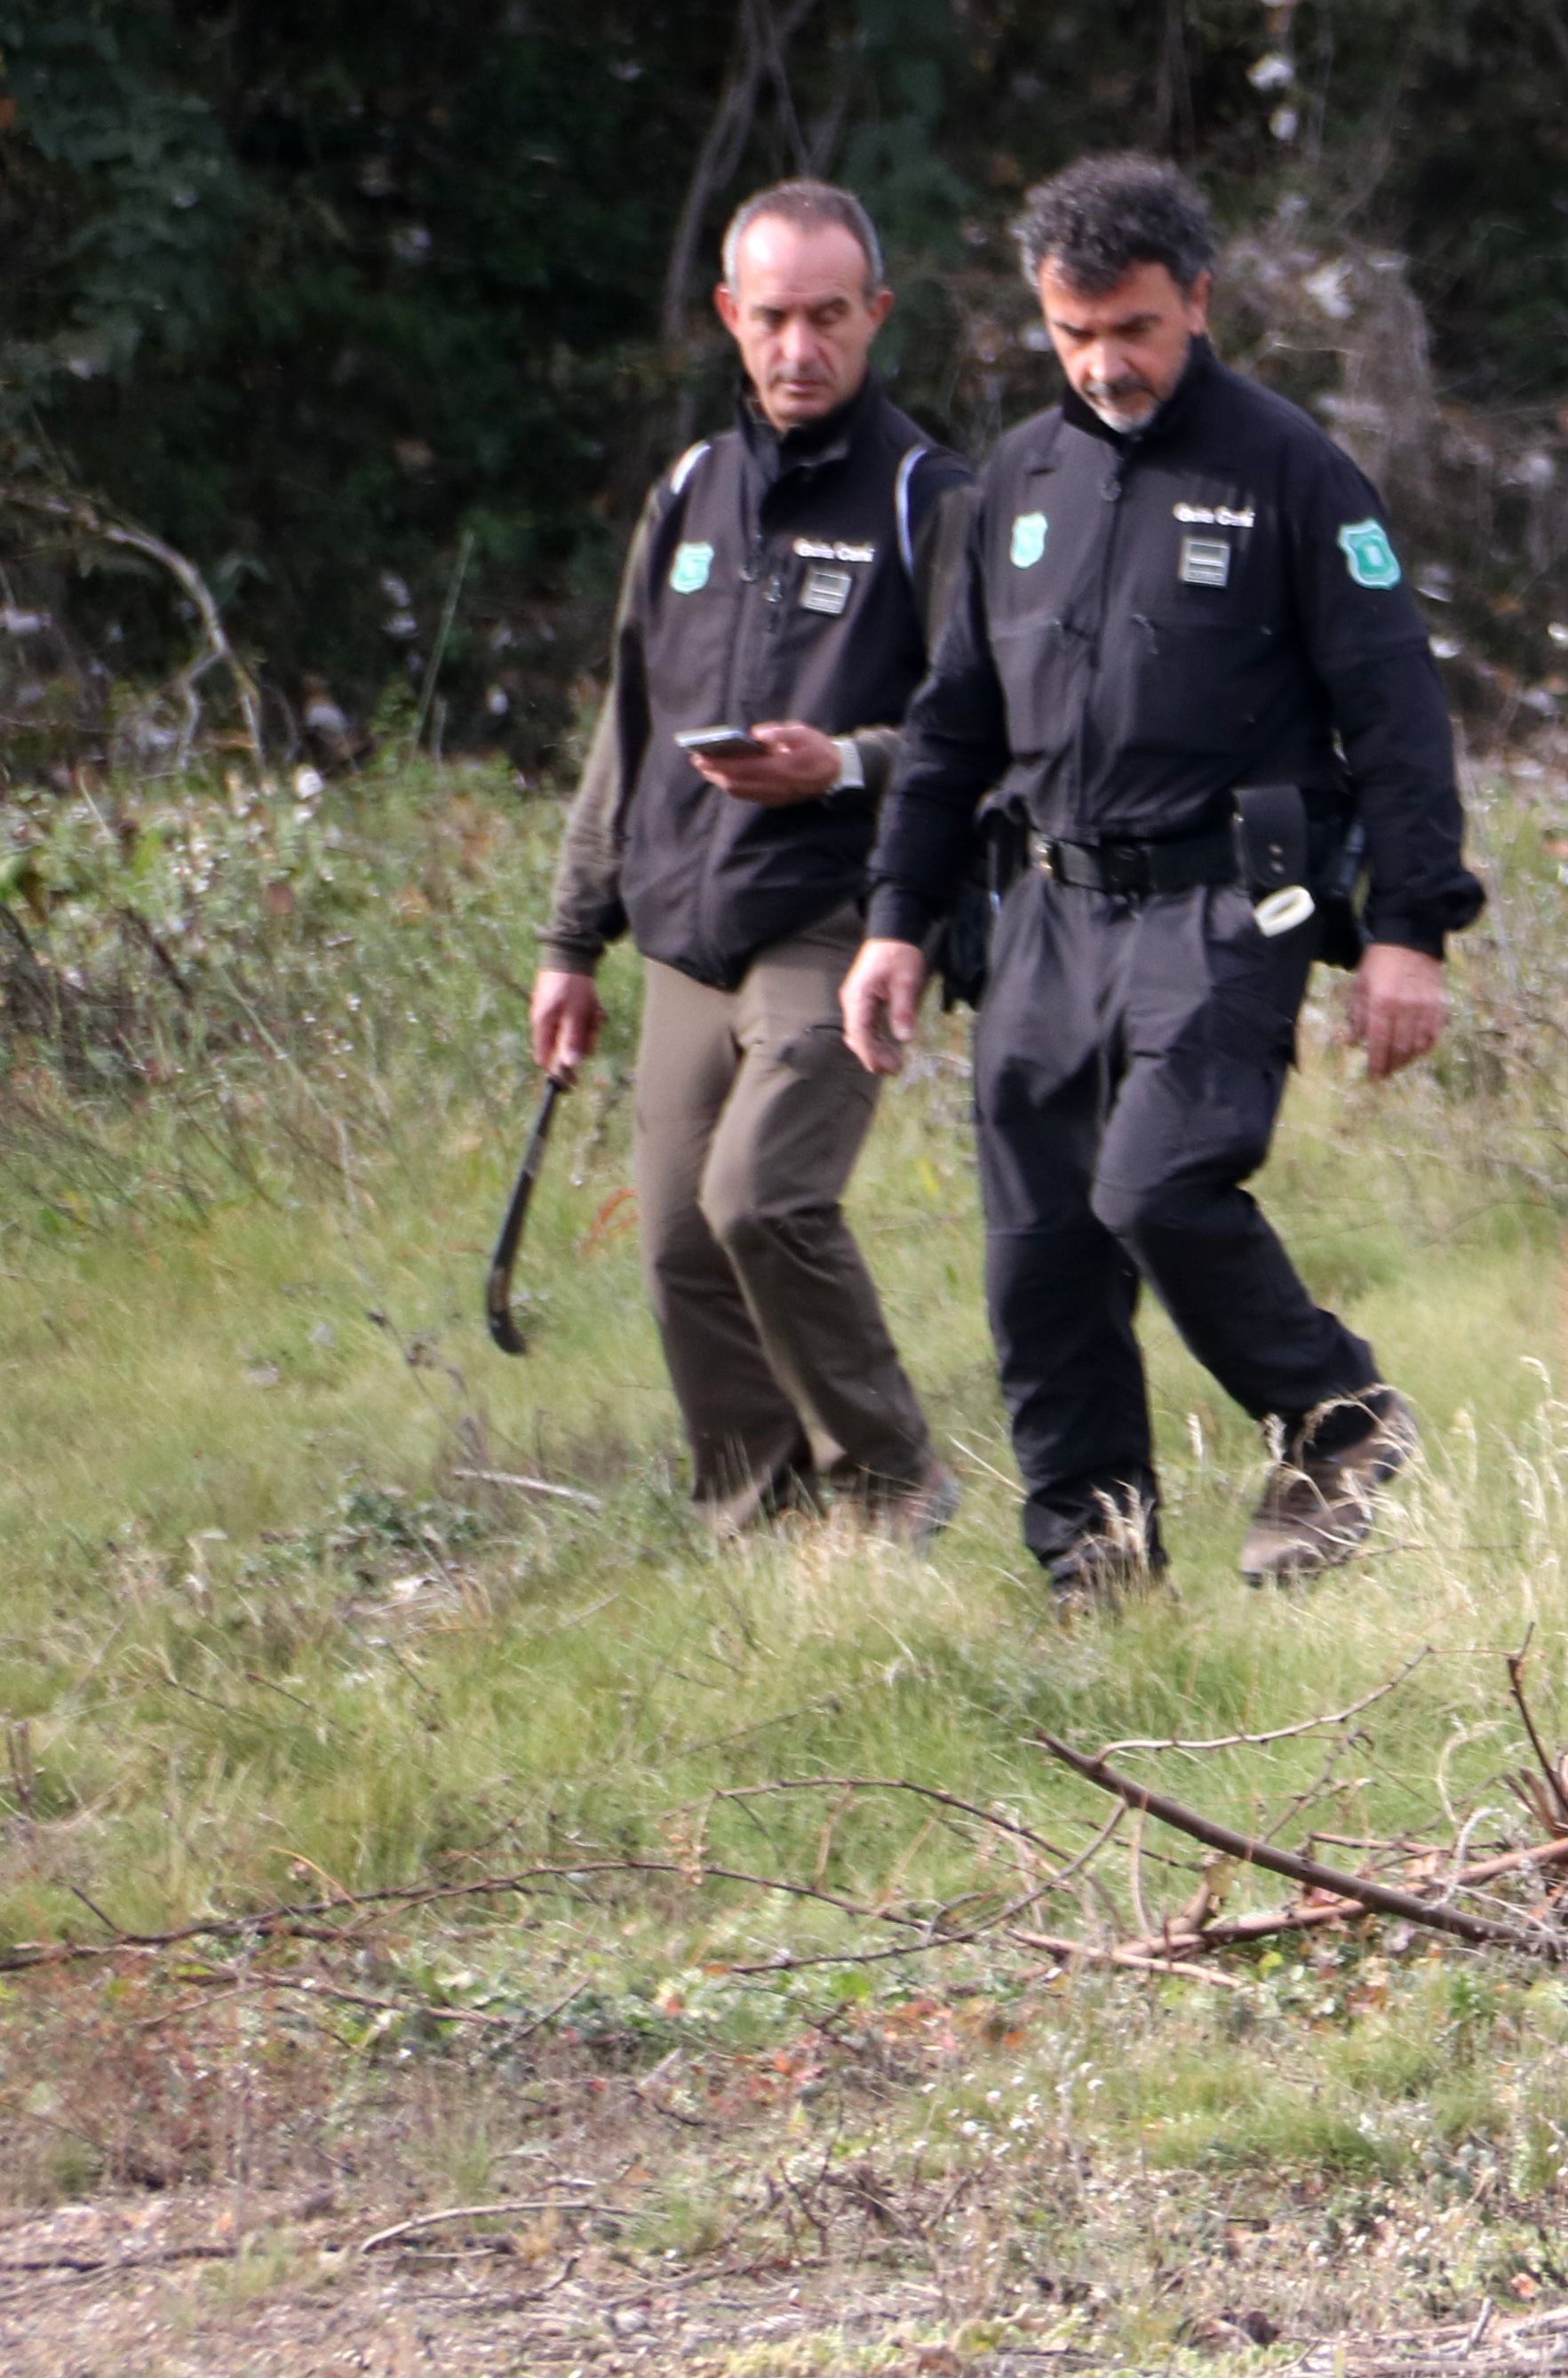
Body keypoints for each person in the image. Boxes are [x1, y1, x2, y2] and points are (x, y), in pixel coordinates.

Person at [837, 156, 1484, 1601]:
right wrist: (894, 923)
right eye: (1073, 335)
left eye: (1131, 328)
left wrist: (1411, 932)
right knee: (1041, 1258)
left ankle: (1337, 1417)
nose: (1104, 364)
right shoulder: (1014, 479)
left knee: (1158, 1186)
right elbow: (949, 724)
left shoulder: (1292, 470)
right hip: (1046, 912)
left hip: (1224, 903)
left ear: (1196, 300)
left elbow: (1394, 710)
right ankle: (1096, 1571)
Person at [533, 181, 971, 1541]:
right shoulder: (684, 493)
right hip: (682, 922)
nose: (800, 347)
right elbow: (628, 723)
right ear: (730, 318)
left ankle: (894, 1490)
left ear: (874, 316)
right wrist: (569, 943)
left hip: (839, 915)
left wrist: (840, 762)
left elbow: (984, 730)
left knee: (762, 1198)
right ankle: (762, 1531)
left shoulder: (926, 494)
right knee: (676, 1247)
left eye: (828, 317)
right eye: (773, 316)